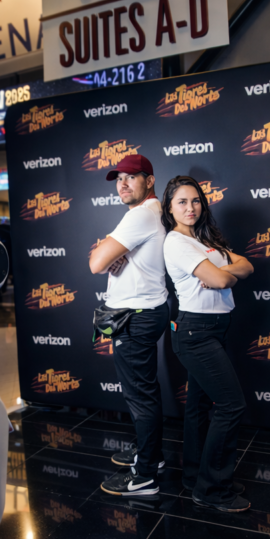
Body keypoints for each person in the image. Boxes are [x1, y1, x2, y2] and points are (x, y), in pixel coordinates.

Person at [161, 176, 253, 512]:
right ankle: (212, 489)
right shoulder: (176, 243)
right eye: (182, 202)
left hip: (215, 329)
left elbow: (247, 264)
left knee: (199, 407)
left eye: (196, 200)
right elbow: (221, 277)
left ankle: (195, 476)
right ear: (170, 208)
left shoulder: (204, 241)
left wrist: (226, 271)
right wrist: (226, 272)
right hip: (196, 332)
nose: (190, 207)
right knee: (230, 405)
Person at [89, 154, 169, 497]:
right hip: (139, 313)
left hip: (136, 316)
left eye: (131, 177)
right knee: (143, 392)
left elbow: (95, 262)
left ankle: (145, 475)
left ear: (149, 181)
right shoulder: (146, 214)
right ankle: (151, 455)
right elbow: (104, 255)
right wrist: (107, 250)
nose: (122, 183)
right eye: (118, 178)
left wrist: (104, 249)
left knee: (140, 396)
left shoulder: (141, 215)